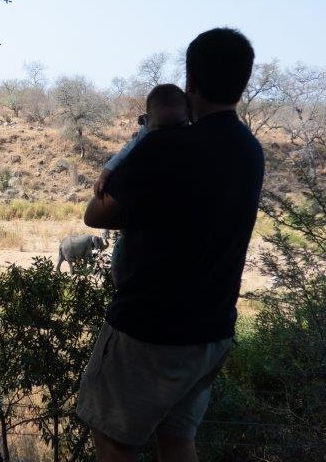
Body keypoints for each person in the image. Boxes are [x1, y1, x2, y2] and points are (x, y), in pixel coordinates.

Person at [78, 28, 264, 462]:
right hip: (212, 330)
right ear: (244, 82)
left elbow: (95, 215)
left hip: (150, 330)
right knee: (177, 440)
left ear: (191, 82)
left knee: (112, 438)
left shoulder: (163, 147)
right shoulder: (250, 151)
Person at [93, 84, 189, 286]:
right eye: (162, 129)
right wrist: (106, 172)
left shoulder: (192, 148)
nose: (169, 135)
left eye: (177, 127)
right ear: (146, 122)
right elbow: (125, 153)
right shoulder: (143, 148)